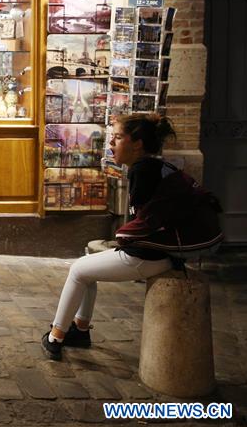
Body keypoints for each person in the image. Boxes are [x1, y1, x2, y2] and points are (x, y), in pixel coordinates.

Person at [42, 113, 178, 361]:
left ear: (137, 144)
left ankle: (55, 338)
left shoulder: (141, 171)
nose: (111, 144)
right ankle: (80, 331)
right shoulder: (158, 165)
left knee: (77, 270)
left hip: (146, 256)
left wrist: (124, 239)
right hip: (162, 252)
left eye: (117, 137)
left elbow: (146, 222)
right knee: (87, 269)